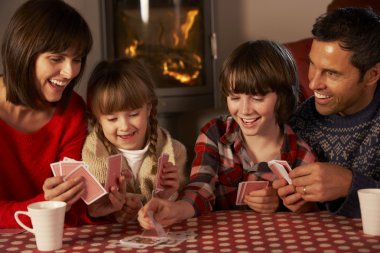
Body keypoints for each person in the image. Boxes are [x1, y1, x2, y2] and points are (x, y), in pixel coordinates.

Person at [138, 40, 317, 229]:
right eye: (235, 98)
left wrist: (281, 204)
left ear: (283, 97)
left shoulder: (301, 152)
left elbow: (311, 209)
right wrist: (175, 210)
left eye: (257, 98)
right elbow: (200, 188)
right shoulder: (214, 134)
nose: (245, 110)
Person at [274, 7, 380, 218]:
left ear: (372, 75)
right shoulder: (301, 121)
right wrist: (305, 205)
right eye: (313, 64)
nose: (313, 83)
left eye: (332, 73)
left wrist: (349, 184)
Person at [0, 0, 93, 228]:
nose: (70, 72)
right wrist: (45, 205)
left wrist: (98, 206)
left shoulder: (73, 109)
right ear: (23, 52)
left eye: (77, 59)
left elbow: (74, 204)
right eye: (56, 58)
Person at [82, 58, 188, 223]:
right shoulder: (90, 155)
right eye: (112, 119)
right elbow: (93, 210)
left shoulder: (175, 151)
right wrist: (116, 212)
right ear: (97, 119)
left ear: (148, 108)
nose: (124, 126)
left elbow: (181, 206)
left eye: (133, 114)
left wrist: (167, 196)